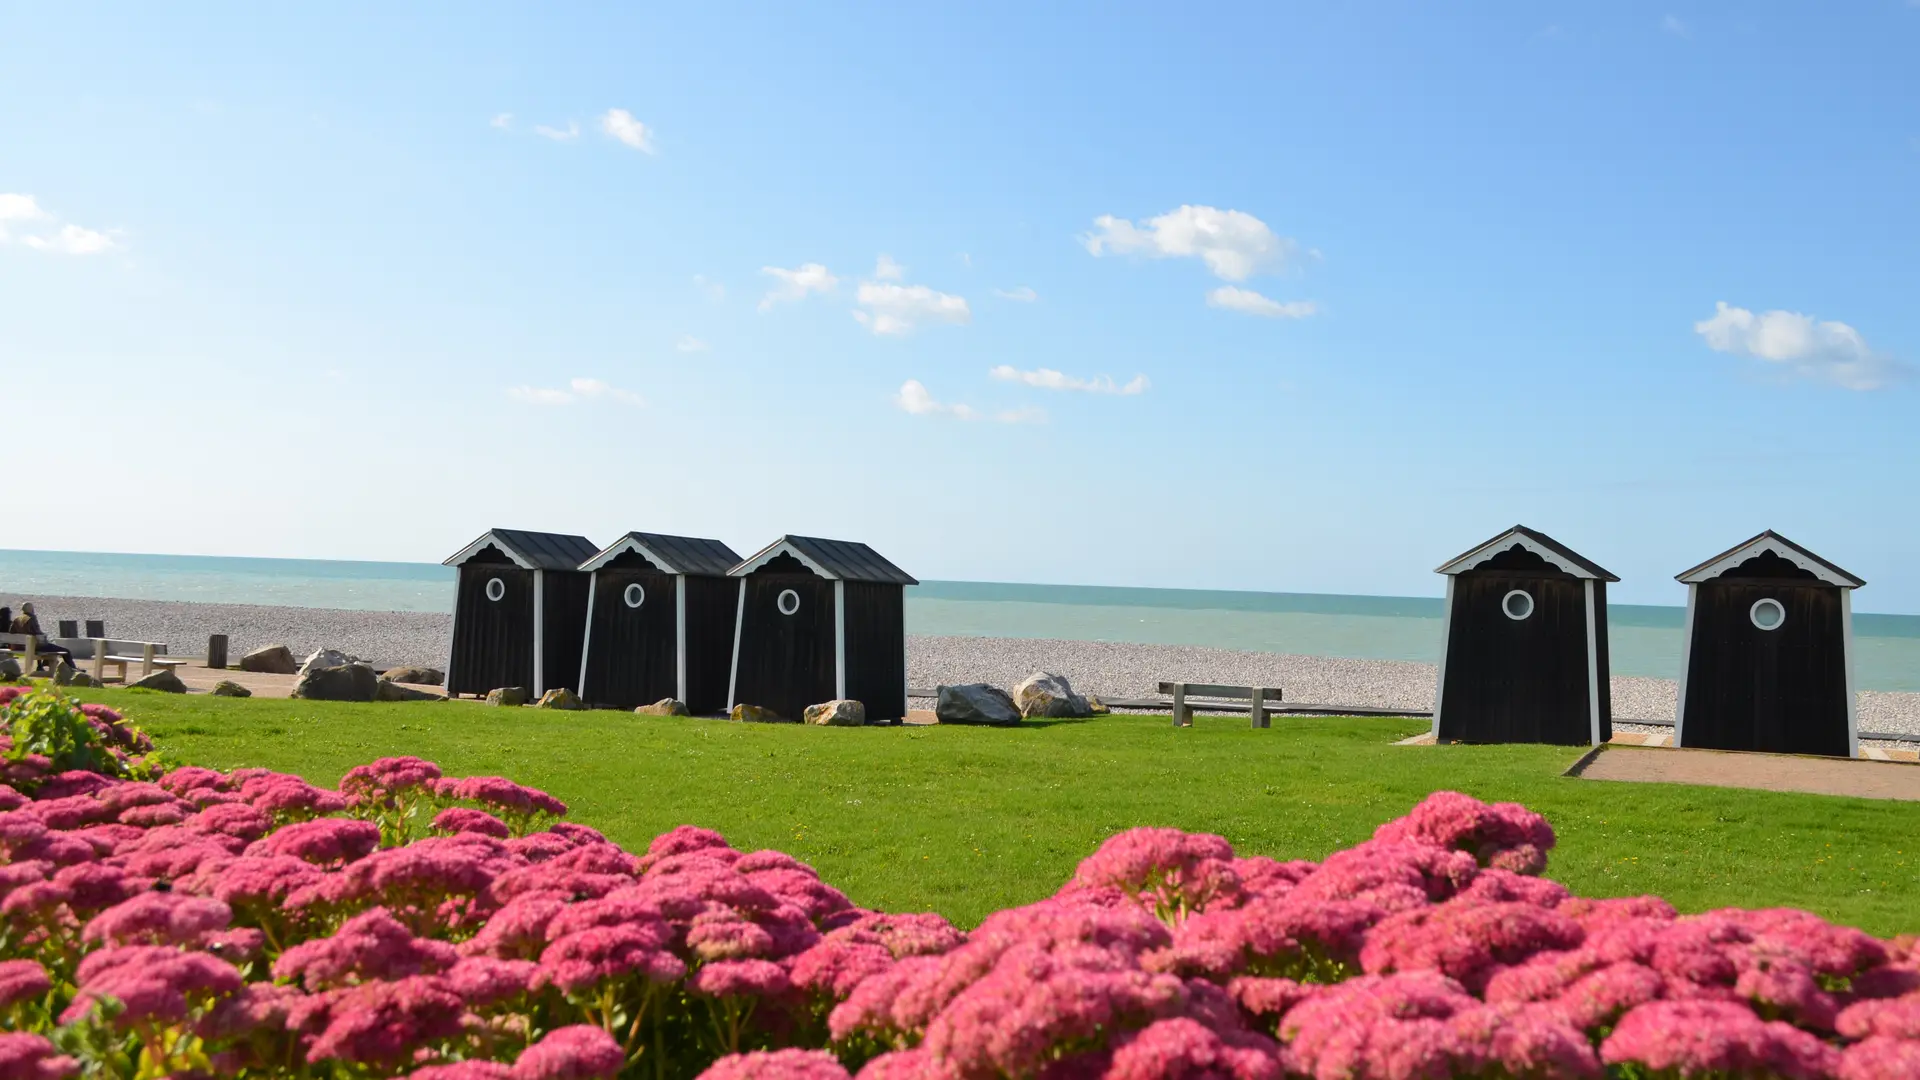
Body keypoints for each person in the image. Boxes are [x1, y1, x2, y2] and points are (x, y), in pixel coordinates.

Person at [8, 602, 74, 670]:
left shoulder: (16, 619)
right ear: (31, 609)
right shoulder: (31, 618)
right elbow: (37, 633)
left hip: (22, 647)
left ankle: (41, 666)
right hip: (32, 647)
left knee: (44, 646)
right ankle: (72, 669)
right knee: (66, 651)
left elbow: (11, 632)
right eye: (33, 608)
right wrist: (44, 635)